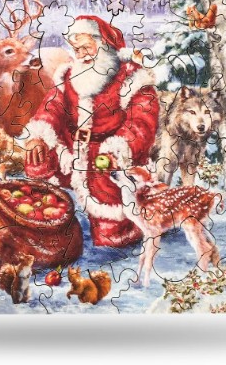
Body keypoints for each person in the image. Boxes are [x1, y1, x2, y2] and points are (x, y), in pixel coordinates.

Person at [24, 15, 159, 247]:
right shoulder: (69, 75)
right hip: (73, 150)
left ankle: (130, 225)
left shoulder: (131, 76)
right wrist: (38, 136)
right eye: (77, 49)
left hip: (110, 155)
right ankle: (49, 218)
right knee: (38, 157)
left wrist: (117, 149)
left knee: (110, 236)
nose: (82, 55)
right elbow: (52, 107)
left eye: (87, 47)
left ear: (104, 44)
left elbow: (142, 121)